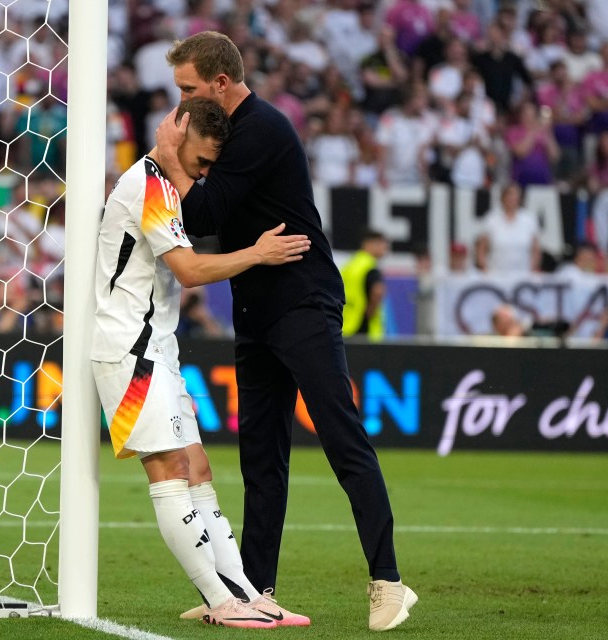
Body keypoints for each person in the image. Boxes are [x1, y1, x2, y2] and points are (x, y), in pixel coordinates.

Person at [155, 31, 416, 632]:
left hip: (301, 302)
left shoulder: (262, 128)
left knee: (340, 437)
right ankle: (254, 591)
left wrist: (172, 160)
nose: (180, 107)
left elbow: (200, 215)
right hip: (257, 306)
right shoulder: (228, 134)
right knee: (261, 459)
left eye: (189, 90)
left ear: (221, 84)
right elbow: (212, 233)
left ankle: (389, 582)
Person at [92, 97, 312, 629]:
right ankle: (219, 599)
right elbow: (189, 271)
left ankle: (243, 592)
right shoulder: (147, 184)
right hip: (129, 349)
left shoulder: (166, 186)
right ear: (178, 133)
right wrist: (257, 253)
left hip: (158, 347)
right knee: (169, 470)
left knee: (198, 468)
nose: (206, 173)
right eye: (202, 161)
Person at [475, 183, 541, 274]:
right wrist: (485, 269)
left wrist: (532, 269)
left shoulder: (529, 219)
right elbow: (481, 249)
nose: (512, 199)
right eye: (509, 195)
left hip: (522, 275)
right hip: (496, 276)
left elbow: (536, 249)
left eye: (515, 195)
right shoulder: (491, 219)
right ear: (503, 198)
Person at [341, 230, 390, 341]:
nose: (385, 248)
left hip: (347, 324)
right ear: (369, 244)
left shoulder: (351, 264)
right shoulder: (369, 265)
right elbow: (377, 290)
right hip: (363, 326)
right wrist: (370, 311)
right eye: (381, 244)